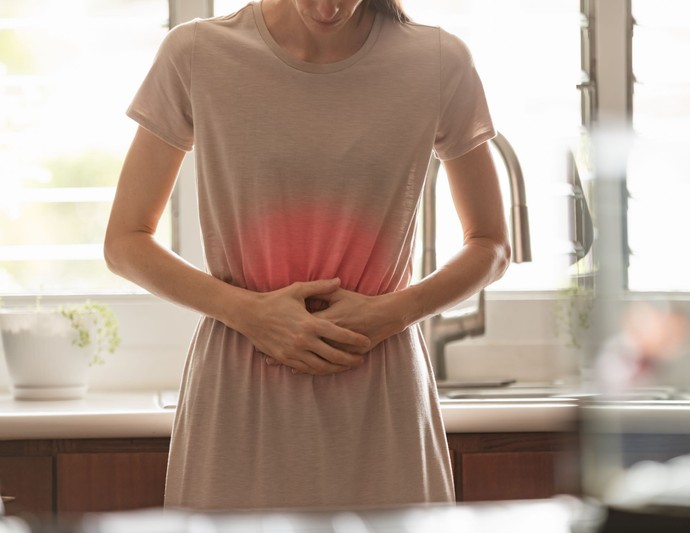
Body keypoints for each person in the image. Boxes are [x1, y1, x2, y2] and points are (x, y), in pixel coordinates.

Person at [104, 0, 510, 510]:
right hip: (240, 394)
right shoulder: (196, 53)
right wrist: (248, 312)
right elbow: (124, 242)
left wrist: (391, 313)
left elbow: (491, 245)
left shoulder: (438, 61)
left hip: (380, 394)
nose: (327, 6)